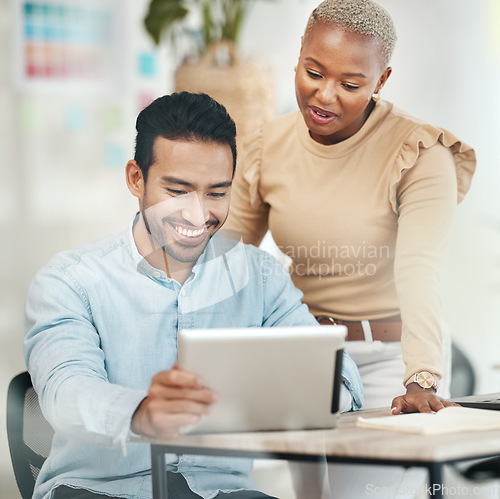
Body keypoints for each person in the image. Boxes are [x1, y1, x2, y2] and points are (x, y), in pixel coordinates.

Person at [24, 92, 363, 499]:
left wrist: (313, 393)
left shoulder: (259, 276)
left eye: (217, 193)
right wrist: (143, 413)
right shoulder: (70, 280)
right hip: (100, 490)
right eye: (178, 191)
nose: (198, 215)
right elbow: (66, 392)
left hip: (221, 491)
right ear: (136, 178)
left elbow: (337, 372)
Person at [225, 0, 476, 496]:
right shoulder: (265, 145)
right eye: (313, 71)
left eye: (350, 84)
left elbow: (420, 270)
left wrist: (421, 379)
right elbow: (227, 262)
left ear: (380, 82)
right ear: (298, 53)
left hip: (389, 358)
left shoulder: (420, 154)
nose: (324, 95)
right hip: (300, 358)